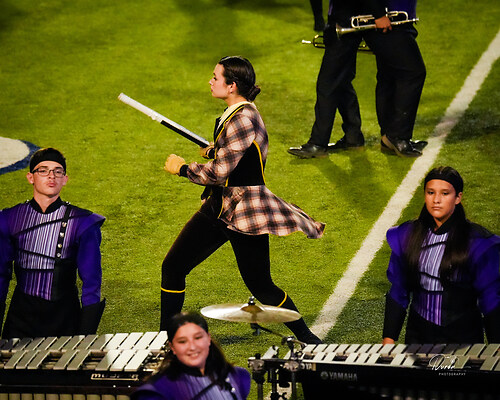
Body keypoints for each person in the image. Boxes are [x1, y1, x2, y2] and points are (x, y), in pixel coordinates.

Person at [161, 56, 324, 344]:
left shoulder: (242, 118)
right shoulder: (236, 113)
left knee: (261, 286)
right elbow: (238, 156)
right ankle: (166, 339)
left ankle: (308, 338)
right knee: (173, 266)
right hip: (220, 206)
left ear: (232, 85)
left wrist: (183, 169)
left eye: (216, 77)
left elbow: (219, 172)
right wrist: (215, 150)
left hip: (244, 211)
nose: (210, 81)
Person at [382, 167, 500, 344]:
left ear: (458, 197)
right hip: (418, 337)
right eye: (431, 192)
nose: (436, 200)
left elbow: (490, 298)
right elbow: (399, 290)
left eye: (445, 193)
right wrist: (388, 340)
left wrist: (497, 345)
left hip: (464, 338)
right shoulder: (407, 235)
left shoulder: (477, 241)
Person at [0, 147, 106, 338]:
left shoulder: (83, 222)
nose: (51, 176)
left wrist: (84, 337)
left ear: (65, 179)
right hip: (19, 322)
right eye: (43, 170)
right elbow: (1, 276)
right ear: (30, 177)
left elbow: (92, 282)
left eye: (58, 171)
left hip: (65, 322)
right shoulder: (9, 219)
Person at [288, 0, 365, 159]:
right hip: (345, 21)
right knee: (342, 82)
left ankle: (318, 143)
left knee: (327, 84)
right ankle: (353, 136)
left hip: (345, 23)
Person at [131, 311, 251, 400]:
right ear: (172, 347)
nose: (192, 347)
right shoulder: (156, 393)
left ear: (208, 338)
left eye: (198, 338)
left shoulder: (238, 377)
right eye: (182, 341)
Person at [362, 0, 427, 157]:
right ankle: (397, 136)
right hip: (386, 20)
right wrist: (378, 14)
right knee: (413, 72)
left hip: (395, 20)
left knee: (389, 75)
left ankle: (389, 136)